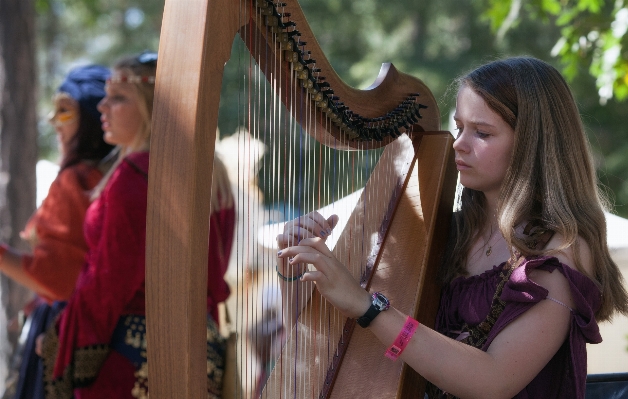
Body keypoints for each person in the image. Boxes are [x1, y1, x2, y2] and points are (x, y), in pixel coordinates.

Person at [276, 57, 628, 398]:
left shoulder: (561, 251)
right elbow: (330, 341)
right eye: (460, 127)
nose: (458, 143)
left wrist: (367, 305)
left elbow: (495, 379)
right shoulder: (447, 235)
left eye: (483, 133)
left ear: (532, 145)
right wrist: (300, 269)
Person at [40, 52, 235, 399]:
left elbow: (107, 284)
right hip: (201, 352)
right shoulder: (212, 173)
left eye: (117, 98)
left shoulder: (135, 177)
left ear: (151, 106)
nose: (102, 107)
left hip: (131, 360)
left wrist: (64, 342)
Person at [0, 64, 113, 399]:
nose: (53, 122)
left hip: (68, 335)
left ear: (93, 115)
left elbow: (57, 280)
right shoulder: (116, 176)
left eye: (65, 111)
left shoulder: (75, 180)